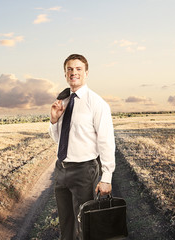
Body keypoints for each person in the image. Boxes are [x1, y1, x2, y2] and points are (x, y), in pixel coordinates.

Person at [49, 54, 116, 239]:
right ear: (65, 74)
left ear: (86, 73)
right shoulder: (62, 102)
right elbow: (59, 140)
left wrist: (107, 176)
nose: (74, 72)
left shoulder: (97, 103)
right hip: (61, 170)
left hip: (84, 171)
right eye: (69, 69)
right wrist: (54, 120)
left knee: (86, 226)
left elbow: (106, 141)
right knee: (66, 225)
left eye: (78, 69)